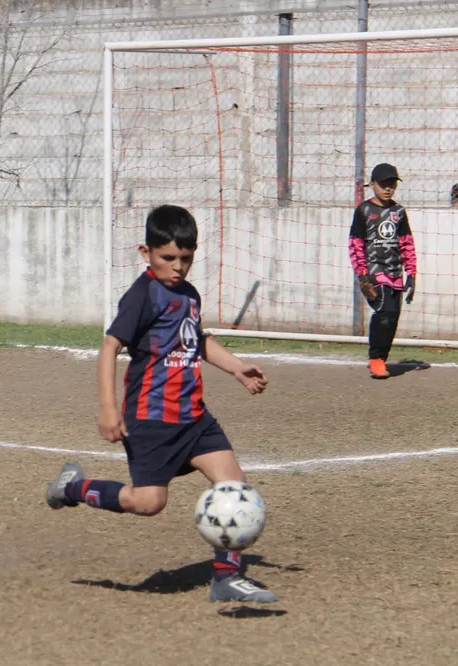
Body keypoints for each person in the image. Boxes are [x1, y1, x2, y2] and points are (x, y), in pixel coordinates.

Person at [44, 204, 278, 603]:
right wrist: (108, 407)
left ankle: (225, 577)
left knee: (233, 485)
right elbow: (109, 346)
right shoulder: (142, 295)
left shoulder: (189, 295)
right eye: (168, 258)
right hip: (151, 420)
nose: (178, 267)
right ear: (146, 252)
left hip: (194, 418)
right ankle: (75, 487)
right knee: (149, 502)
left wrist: (236, 367)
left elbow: (197, 340)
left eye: (185, 259)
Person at [349, 163, 418, 379]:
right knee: (385, 313)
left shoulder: (398, 212)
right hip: (373, 273)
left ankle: (381, 358)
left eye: (392, 185)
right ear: (373, 185)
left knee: (393, 316)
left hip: (395, 273)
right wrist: (361, 275)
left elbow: (406, 243)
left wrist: (412, 273)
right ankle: (376, 359)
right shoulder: (364, 211)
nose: (388, 189)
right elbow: (355, 244)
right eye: (384, 184)